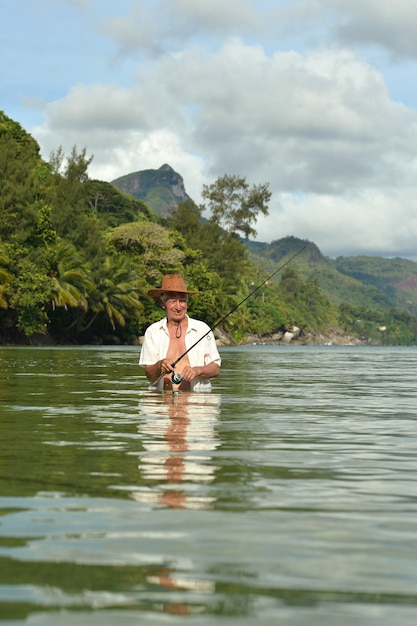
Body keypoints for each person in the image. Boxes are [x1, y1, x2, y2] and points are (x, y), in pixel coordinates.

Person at [139, 274, 221, 392]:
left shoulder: (202, 329)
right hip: (161, 405)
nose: (178, 307)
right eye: (173, 301)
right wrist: (159, 365)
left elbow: (216, 369)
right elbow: (149, 375)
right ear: (163, 304)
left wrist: (197, 370)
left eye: (182, 301)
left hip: (197, 404)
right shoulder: (153, 332)